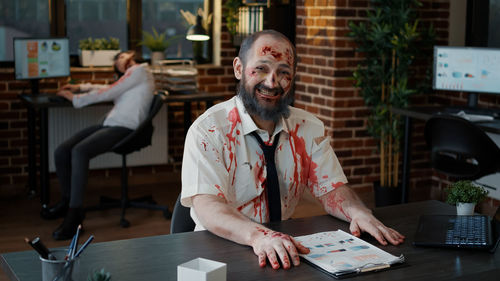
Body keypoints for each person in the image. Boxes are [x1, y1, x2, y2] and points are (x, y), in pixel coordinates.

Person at [180, 30, 405, 270]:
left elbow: (331, 189)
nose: (272, 82)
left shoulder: (308, 128)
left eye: (284, 72)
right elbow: (208, 206)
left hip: (282, 250)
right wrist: (258, 236)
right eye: (261, 69)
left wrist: (357, 212)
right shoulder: (208, 131)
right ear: (238, 68)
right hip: (219, 251)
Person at [41, 50, 155, 240]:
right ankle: (66, 201)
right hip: (111, 124)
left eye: (121, 56)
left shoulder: (140, 71)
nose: (119, 59)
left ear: (132, 55)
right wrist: (80, 88)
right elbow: (109, 87)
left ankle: (75, 214)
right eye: (117, 60)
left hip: (125, 128)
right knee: (62, 151)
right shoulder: (131, 76)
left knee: (79, 151)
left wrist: (74, 98)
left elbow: (109, 91)